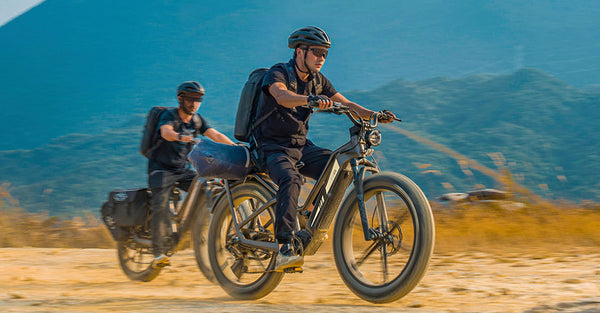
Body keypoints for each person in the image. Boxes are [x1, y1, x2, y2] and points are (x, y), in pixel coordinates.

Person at [253, 26, 396, 271]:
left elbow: (347, 103)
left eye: (325, 54)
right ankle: (284, 247)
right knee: (291, 178)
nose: (321, 58)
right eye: (317, 52)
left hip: (299, 145)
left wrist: (375, 115)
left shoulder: (318, 80)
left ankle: (309, 214)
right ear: (299, 52)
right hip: (270, 146)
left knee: (336, 166)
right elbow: (281, 96)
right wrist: (308, 100)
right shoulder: (278, 73)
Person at [149, 81, 234, 268]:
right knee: (160, 206)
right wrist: (180, 137)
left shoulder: (196, 120)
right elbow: (166, 132)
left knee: (207, 188)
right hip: (161, 169)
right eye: (191, 99)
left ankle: (200, 229)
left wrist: (235, 148)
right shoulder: (169, 116)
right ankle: (158, 252)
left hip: (181, 170)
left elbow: (215, 135)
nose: (195, 103)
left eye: (199, 99)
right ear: (181, 99)